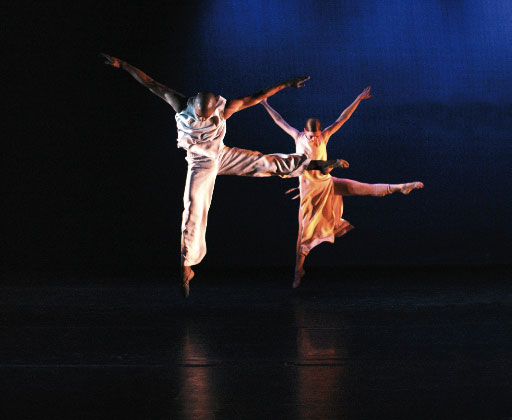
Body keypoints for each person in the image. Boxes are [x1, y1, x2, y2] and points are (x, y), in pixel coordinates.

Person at [102, 54, 348, 296]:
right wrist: (122, 64)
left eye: (208, 116)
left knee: (264, 162)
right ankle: (186, 265)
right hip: (200, 163)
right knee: (194, 206)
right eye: (201, 116)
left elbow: (256, 97)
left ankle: (316, 164)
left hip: (221, 154)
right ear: (193, 105)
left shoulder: (225, 108)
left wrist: (285, 84)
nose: (204, 119)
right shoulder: (179, 103)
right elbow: (150, 83)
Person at [261, 86, 423, 288]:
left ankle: (400, 187)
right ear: (305, 132)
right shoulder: (297, 137)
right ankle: (297, 271)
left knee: (363, 188)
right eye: (311, 136)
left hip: (327, 183)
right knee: (303, 235)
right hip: (310, 191)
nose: (314, 139)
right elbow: (279, 120)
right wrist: (265, 103)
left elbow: (342, 118)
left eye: (317, 135)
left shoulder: (324, 136)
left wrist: (358, 98)